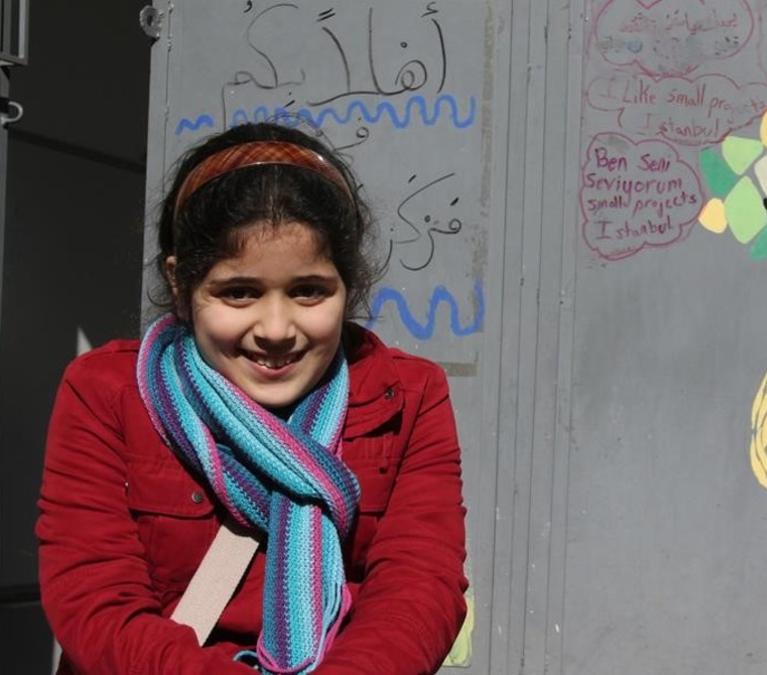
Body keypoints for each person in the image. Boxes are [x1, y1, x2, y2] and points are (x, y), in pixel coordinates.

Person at [36, 122, 468, 674]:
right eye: (238, 292)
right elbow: (93, 600)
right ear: (180, 285)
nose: (276, 329)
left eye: (309, 291)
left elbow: (419, 587)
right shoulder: (104, 394)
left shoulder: (409, 397)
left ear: (348, 285)